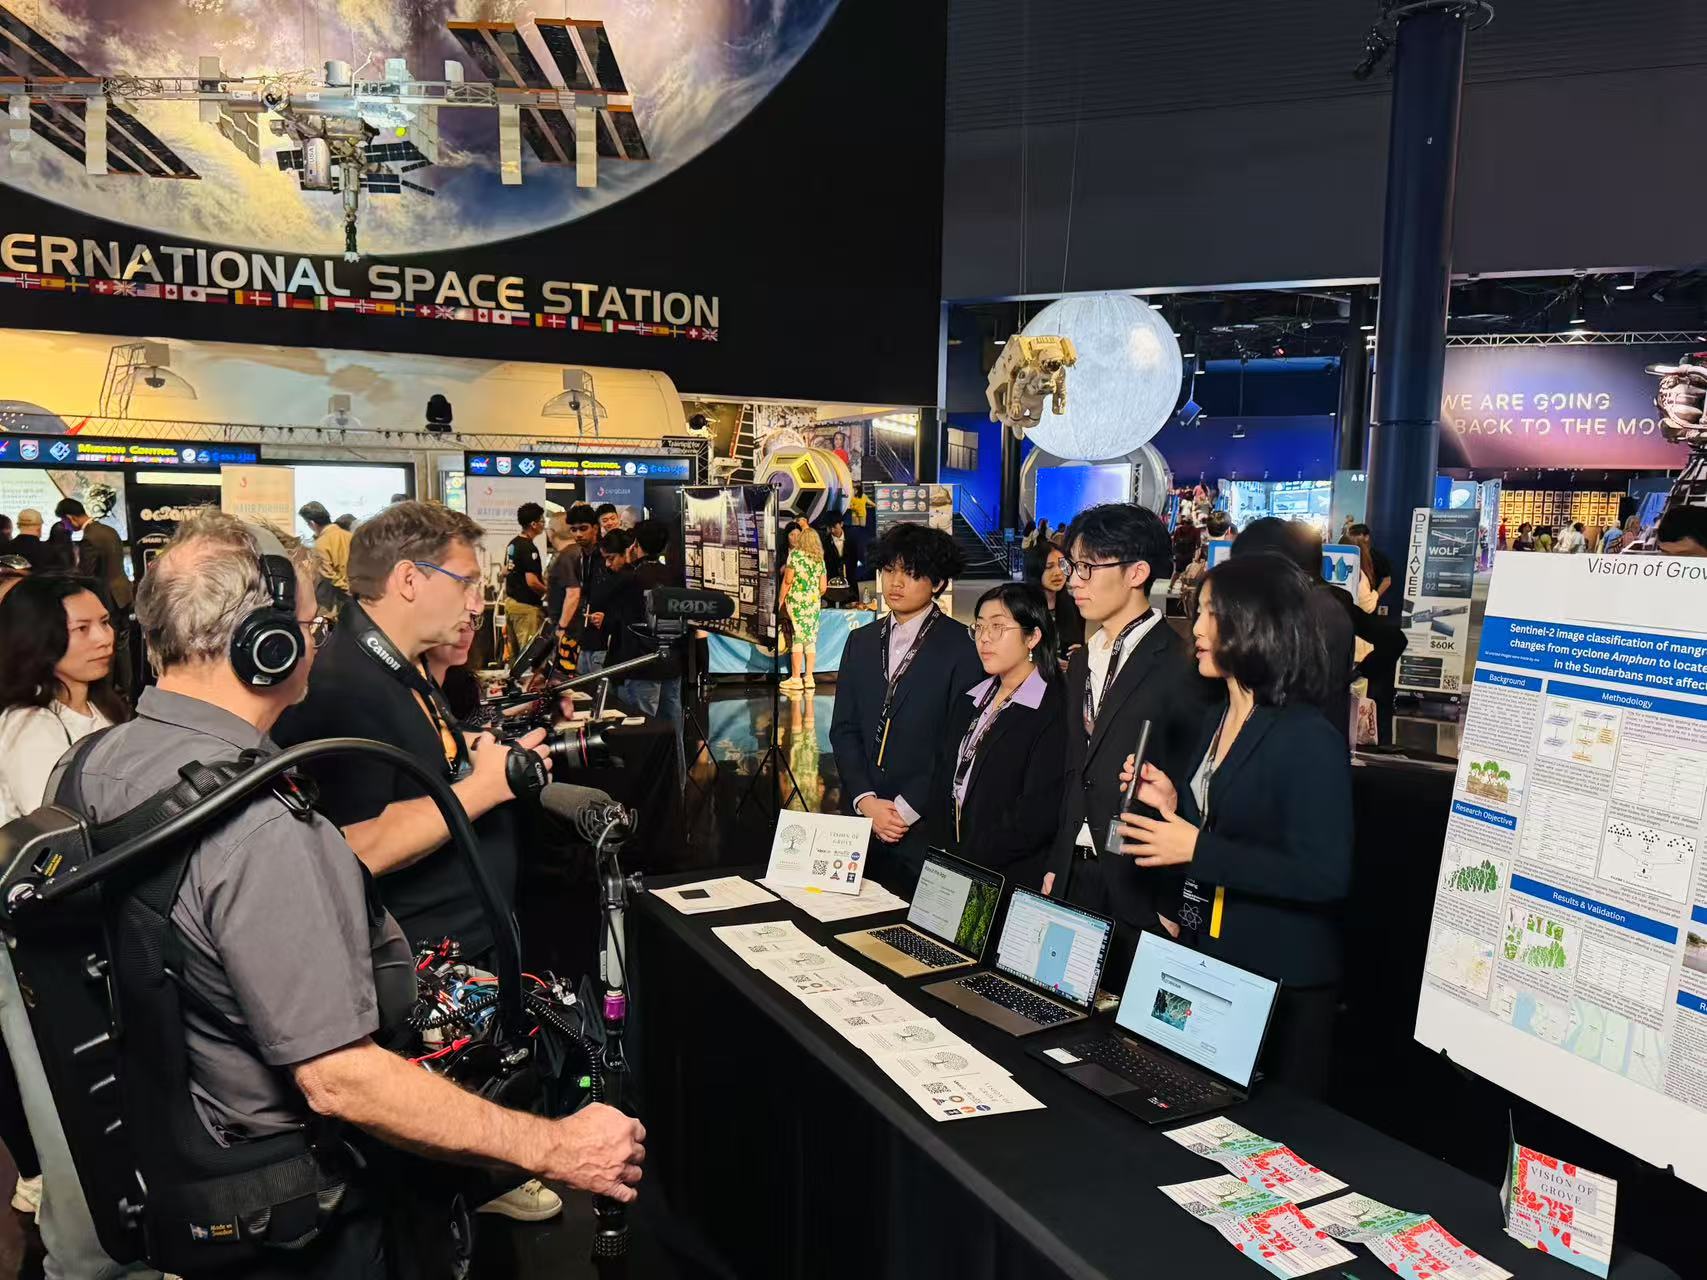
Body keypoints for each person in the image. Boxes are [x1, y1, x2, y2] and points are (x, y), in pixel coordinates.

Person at [57, 510, 644, 1274]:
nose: (317, 640)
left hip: (188, 1169)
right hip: (302, 1212)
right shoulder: (260, 829)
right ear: (262, 647)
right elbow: (341, 1080)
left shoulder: (94, 762)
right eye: (309, 624)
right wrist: (556, 1145)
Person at [1112, 554, 1352, 1092]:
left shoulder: (1305, 735)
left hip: (1280, 982)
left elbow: (1324, 874)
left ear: (1255, 623)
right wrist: (1176, 804)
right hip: (1213, 961)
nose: (1195, 628)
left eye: (1211, 614)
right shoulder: (1218, 717)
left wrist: (1197, 847)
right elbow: (1229, 826)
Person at [0, 575, 136, 1279]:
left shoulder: (106, 710)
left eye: (104, 624)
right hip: (44, 949)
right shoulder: (28, 727)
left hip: (98, 933)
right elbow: (51, 850)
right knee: (66, 1107)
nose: (103, 637)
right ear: (40, 642)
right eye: (81, 630)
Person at [1042, 503, 1218, 988]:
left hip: (1140, 883)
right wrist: (1058, 864)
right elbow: (1075, 769)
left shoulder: (1182, 664)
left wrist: (1172, 899)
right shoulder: (1082, 660)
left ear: (1137, 572)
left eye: (1087, 568)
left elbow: (1195, 786)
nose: (1073, 580)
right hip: (1076, 875)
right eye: (1069, 566)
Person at [830, 523, 982, 892]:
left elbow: (957, 743)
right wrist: (865, 800)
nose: (895, 583)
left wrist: (904, 809)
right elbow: (844, 728)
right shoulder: (860, 641)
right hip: (862, 820)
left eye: (911, 573)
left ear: (937, 583)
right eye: (889, 570)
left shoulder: (962, 646)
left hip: (922, 822)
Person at [926, 583, 1067, 888]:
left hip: (1008, 875)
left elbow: (1036, 814)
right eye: (978, 627)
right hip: (952, 863)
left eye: (998, 627)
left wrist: (968, 856)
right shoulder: (973, 697)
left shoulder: (1051, 708)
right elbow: (943, 775)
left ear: (1033, 636)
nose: (984, 638)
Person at [54, 497, 134, 697]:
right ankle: (128, 690)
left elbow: (87, 575)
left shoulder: (90, 537)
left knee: (107, 647)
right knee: (123, 647)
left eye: (65, 523)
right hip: (124, 595)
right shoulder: (109, 530)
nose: (66, 527)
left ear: (71, 518)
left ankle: (106, 693)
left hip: (107, 599)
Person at [780, 526, 828, 692]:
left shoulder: (795, 556)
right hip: (813, 603)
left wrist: (780, 601)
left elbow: (787, 581)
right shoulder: (819, 559)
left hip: (797, 602)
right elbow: (823, 587)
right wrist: (812, 594)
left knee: (798, 638)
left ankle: (795, 678)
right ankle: (809, 677)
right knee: (810, 640)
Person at [1023, 541, 1084, 661]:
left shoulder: (1075, 604)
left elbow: (1078, 642)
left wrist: (1080, 654)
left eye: (1062, 565)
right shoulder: (1022, 607)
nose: (1058, 573)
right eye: (1049, 566)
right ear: (1035, 570)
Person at [502, 502, 548, 658]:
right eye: (542, 521)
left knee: (514, 655)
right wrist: (549, 592)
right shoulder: (529, 548)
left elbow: (504, 571)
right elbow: (532, 581)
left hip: (511, 605)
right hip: (526, 608)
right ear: (533, 524)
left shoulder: (513, 544)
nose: (544, 524)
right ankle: (527, 682)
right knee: (528, 656)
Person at [545, 512, 583, 674]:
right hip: (577, 629)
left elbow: (573, 593)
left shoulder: (567, 556)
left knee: (563, 678)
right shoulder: (578, 552)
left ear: (551, 532)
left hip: (569, 631)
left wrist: (562, 627)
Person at [298, 500, 353, 614]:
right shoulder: (350, 537)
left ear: (312, 524)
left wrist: (348, 591)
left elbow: (328, 575)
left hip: (335, 603)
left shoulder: (321, 544)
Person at [1346, 523, 1392, 600]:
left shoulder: (1377, 556)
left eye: (1356, 535)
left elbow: (1387, 580)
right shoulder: (1347, 554)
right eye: (1351, 535)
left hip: (1366, 602)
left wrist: (1374, 597)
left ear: (1366, 537)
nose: (1353, 538)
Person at [821, 512, 852, 583]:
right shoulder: (825, 542)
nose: (832, 530)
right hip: (833, 580)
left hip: (851, 579)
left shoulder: (852, 537)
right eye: (829, 527)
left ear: (841, 524)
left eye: (834, 527)